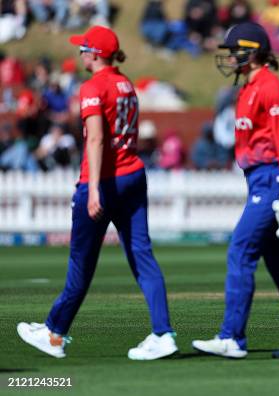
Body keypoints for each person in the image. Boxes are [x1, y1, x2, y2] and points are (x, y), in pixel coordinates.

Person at [16, 26, 178, 360]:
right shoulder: (126, 83)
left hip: (105, 179)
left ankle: (54, 333)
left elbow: (95, 139)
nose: (80, 54)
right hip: (133, 174)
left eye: (84, 48)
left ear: (95, 53)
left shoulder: (93, 86)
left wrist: (92, 190)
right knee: (142, 255)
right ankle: (163, 333)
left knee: (81, 263)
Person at [191, 22, 279, 360]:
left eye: (235, 50)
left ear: (252, 52)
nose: (230, 57)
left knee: (240, 251)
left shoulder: (269, 86)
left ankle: (232, 337)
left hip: (270, 180)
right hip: (258, 179)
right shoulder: (249, 87)